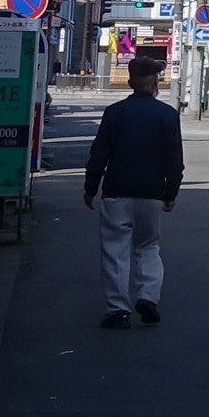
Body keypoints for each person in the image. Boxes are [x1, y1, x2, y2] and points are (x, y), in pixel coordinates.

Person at [84, 53, 182, 330]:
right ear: (155, 83)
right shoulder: (167, 115)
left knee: (115, 250)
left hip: (117, 191)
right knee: (148, 246)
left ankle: (118, 309)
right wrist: (171, 192)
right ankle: (148, 297)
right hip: (152, 193)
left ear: (129, 82)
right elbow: (174, 158)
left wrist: (91, 188)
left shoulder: (114, 113)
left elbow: (99, 153)